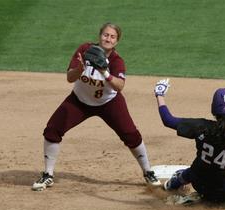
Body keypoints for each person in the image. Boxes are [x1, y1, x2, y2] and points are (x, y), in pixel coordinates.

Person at [32, 23, 161, 191]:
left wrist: (105, 71)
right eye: (105, 35)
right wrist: (80, 68)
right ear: (100, 36)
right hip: (79, 101)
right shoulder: (85, 50)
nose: (108, 38)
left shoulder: (116, 61)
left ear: (116, 41)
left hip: (109, 103)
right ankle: (48, 175)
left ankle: (148, 171)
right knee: (53, 129)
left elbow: (120, 86)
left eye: (112, 36)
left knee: (130, 134)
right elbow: (70, 78)